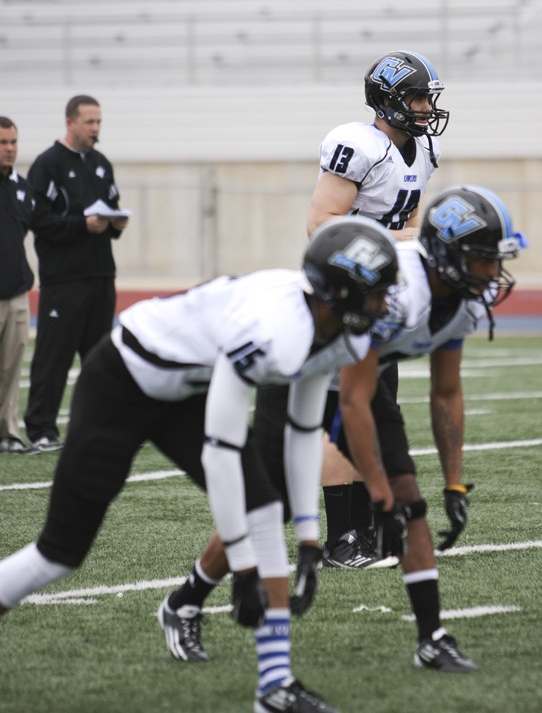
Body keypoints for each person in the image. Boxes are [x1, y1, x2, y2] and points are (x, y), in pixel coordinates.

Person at [0, 216, 405, 713]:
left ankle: (275, 686)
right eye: (376, 293)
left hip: (186, 390)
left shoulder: (334, 330)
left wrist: (306, 539)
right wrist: (241, 567)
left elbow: (302, 433)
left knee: (263, 510)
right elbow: (221, 449)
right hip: (121, 382)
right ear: (338, 294)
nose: (385, 306)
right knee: (60, 553)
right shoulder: (273, 332)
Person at [157, 185, 525, 676]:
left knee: (409, 498)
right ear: (448, 255)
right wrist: (378, 499)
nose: (491, 273)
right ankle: (185, 600)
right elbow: (351, 402)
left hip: (358, 374)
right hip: (300, 368)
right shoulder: (397, 292)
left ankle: (431, 637)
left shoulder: (460, 300)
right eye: (482, 259)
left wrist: (453, 483)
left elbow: (446, 393)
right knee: (271, 508)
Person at [309, 48, 450, 569]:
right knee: (348, 416)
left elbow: (407, 217)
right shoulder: (358, 144)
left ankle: (372, 528)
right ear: (387, 101)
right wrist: (403, 239)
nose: (423, 108)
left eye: (425, 98)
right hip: (343, 291)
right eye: (415, 98)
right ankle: (343, 539)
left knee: (377, 411)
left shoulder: (422, 149)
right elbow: (321, 223)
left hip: (382, 293)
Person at [23, 94, 129, 451]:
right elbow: (38, 219)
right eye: (89, 122)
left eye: (99, 122)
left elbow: (111, 208)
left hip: (101, 274)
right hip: (64, 279)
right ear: (70, 122)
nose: (96, 129)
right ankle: (41, 429)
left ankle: (99, 426)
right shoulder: (48, 164)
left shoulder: (101, 164)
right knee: (54, 357)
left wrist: (116, 223)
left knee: (100, 358)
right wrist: (82, 226)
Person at [0, 117, 40, 455]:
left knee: (11, 368)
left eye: (13, 142)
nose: (10, 149)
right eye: (3, 143)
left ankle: (8, 433)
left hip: (16, 293)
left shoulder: (22, 186)